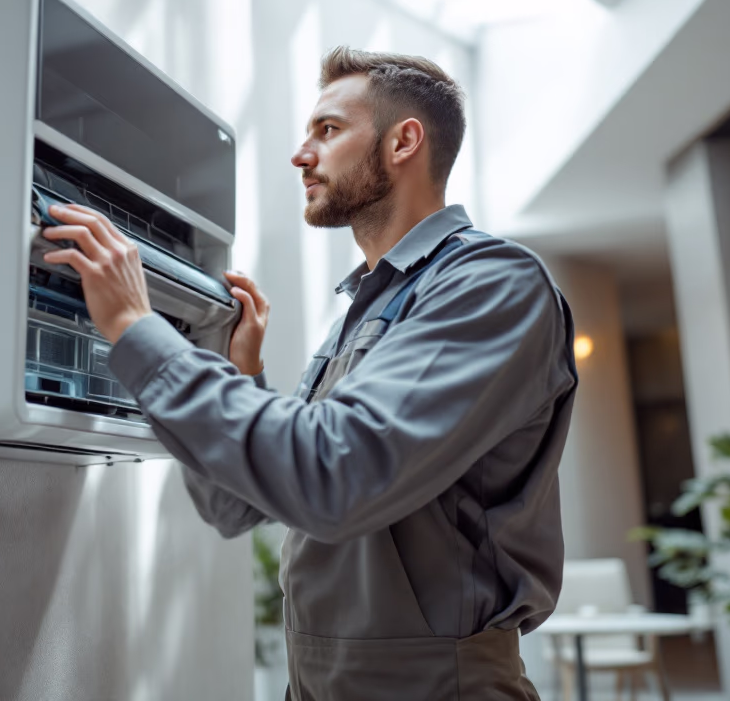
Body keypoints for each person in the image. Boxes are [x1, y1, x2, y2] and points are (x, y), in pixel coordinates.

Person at [40, 46, 578, 700]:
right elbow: (233, 505)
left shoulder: (491, 283)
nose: (301, 155)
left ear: (404, 141)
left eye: (327, 130)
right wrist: (237, 375)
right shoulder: (368, 307)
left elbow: (334, 477)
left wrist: (135, 327)